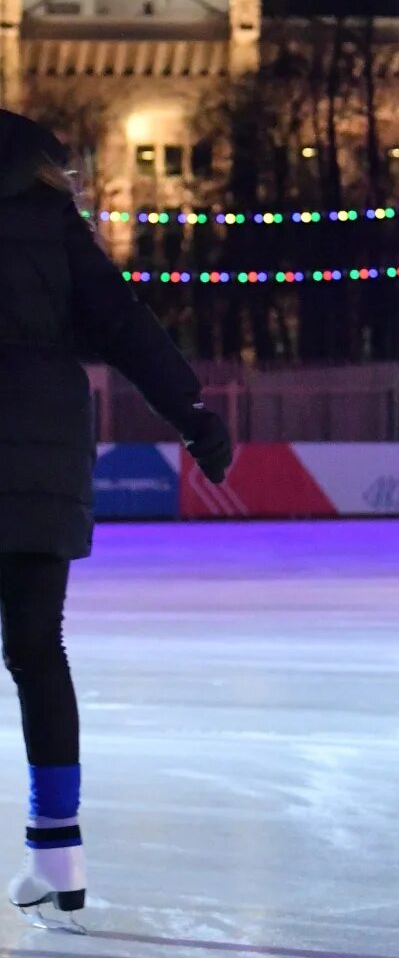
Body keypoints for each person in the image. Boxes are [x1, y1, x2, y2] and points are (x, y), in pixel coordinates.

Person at [0, 110, 232, 926]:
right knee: (35, 649)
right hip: (47, 447)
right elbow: (128, 327)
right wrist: (195, 414)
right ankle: (56, 854)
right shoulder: (51, 222)